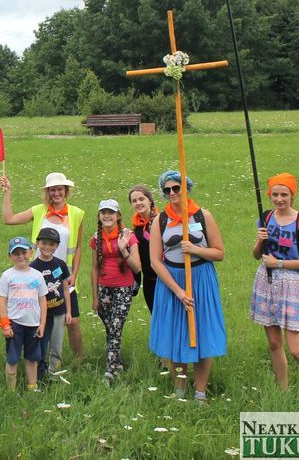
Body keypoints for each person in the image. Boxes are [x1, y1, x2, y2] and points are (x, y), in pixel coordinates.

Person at [148, 171, 226, 402]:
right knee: (176, 335)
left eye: (176, 188)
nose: (172, 193)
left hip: (201, 279)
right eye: (167, 190)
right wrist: (178, 291)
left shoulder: (203, 216)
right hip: (172, 282)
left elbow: (219, 253)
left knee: (202, 333)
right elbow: (155, 261)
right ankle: (180, 390)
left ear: (186, 188)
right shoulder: (160, 220)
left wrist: (195, 249)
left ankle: (200, 392)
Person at [0, 172, 86, 362]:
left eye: (60, 189)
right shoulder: (39, 210)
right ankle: (39, 361)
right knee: (39, 320)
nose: (56, 193)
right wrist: (7, 192)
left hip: (63, 276)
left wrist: (74, 273)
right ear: (48, 192)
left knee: (73, 321)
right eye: (52, 190)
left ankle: (80, 360)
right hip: (37, 276)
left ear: (66, 191)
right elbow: (8, 219)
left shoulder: (77, 213)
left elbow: (78, 247)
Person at [249, 173, 299, 391]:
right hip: (266, 281)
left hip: (292, 284)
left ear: (292, 195)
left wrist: (280, 263)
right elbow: (256, 255)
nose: (279, 199)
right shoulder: (266, 218)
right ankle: (283, 389)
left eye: (284, 194)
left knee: (296, 349)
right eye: (275, 194)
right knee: (274, 343)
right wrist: (259, 241)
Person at [90, 199, 142, 382]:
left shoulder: (128, 236)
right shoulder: (96, 238)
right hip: (104, 289)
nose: (107, 216)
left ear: (118, 215)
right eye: (103, 212)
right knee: (111, 328)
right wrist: (95, 297)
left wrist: (123, 250)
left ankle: (110, 370)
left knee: (116, 328)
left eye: (111, 212)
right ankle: (118, 364)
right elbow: (94, 268)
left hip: (123, 289)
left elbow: (137, 268)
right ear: (99, 216)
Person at [0, 237, 48, 391]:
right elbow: (2, 301)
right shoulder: (7, 276)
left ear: (31, 253)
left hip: (33, 323)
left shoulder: (37, 275)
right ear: (10, 256)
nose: (21, 256)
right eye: (16, 253)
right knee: (13, 359)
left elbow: (43, 301)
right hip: (14, 324)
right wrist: (5, 325)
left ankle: (32, 387)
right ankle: (11, 391)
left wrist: (42, 324)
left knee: (32, 358)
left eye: (24, 252)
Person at [29, 227, 71, 381]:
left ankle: (54, 375)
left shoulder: (60, 264)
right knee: (41, 344)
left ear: (57, 246)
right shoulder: (33, 267)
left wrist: (68, 312)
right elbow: (31, 294)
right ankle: (39, 376)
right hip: (41, 315)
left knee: (57, 345)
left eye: (52, 244)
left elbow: (65, 289)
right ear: (38, 243)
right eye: (44, 243)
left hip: (59, 312)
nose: (47, 247)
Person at [128, 185, 160, 314]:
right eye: (134, 201)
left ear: (150, 201)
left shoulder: (161, 220)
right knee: (156, 317)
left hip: (166, 279)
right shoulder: (137, 228)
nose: (138, 203)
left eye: (141, 199)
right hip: (149, 281)